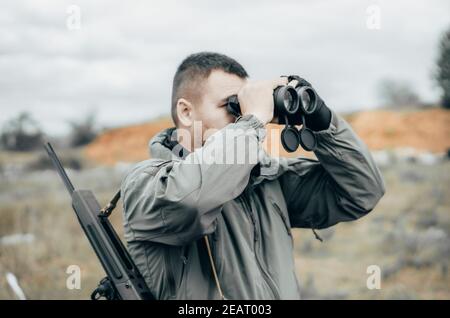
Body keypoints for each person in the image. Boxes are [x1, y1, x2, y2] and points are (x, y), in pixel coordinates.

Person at [120, 52, 385, 299]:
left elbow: (362, 192)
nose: (242, 116)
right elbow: (192, 199)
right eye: (232, 106)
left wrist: (322, 121)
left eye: (245, 105)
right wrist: (254, 118)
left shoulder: (265, 180)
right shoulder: (147, 183)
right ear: (186, 112)